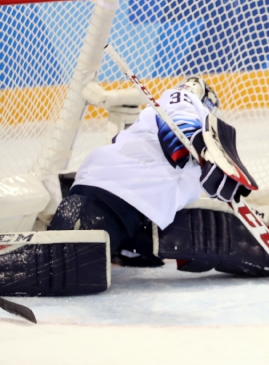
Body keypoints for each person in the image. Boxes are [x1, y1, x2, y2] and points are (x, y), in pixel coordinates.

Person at [48, 77, 252, 266]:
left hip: (129, 212)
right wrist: (199, 146)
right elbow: (179, 124)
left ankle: (125, 249)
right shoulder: (183, 99)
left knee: (81, 265)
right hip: (108, 199)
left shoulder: (151, 134)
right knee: (63, 267)